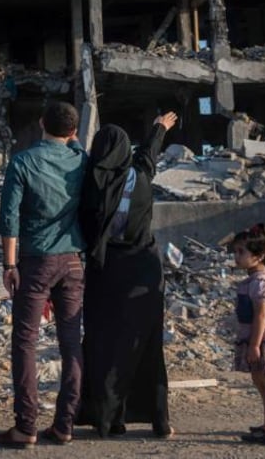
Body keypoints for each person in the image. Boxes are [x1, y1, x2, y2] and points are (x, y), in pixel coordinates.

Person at [0, 101, 87, 449]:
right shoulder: (81, 160)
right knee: (71, 342)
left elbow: (9, 218)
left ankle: (25, 426)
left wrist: (9, 265)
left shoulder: (22, 162)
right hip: (73, 260)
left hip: (35, 261)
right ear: (73, 131)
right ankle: (64, 425)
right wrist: (74, 139)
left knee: (25, 342)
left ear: (41, 122)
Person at [77, 114, 178, 439]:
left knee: (104, 345)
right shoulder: (141, 177)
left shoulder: (89, 185)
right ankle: (158, 420)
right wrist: (159, 128)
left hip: (106, 271)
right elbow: (147, 155)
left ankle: (109, 420)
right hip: (144, 268)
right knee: (146, 345)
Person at [231, 224, 265, 446]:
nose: (236, 256)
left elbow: (261, 316)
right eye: (235, 251)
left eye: (241, 252)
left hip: (263, 339)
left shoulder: (260, 283)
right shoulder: (253, 280)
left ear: (259, 256)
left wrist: (254, 345)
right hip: (256, 337)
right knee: (259, 380)